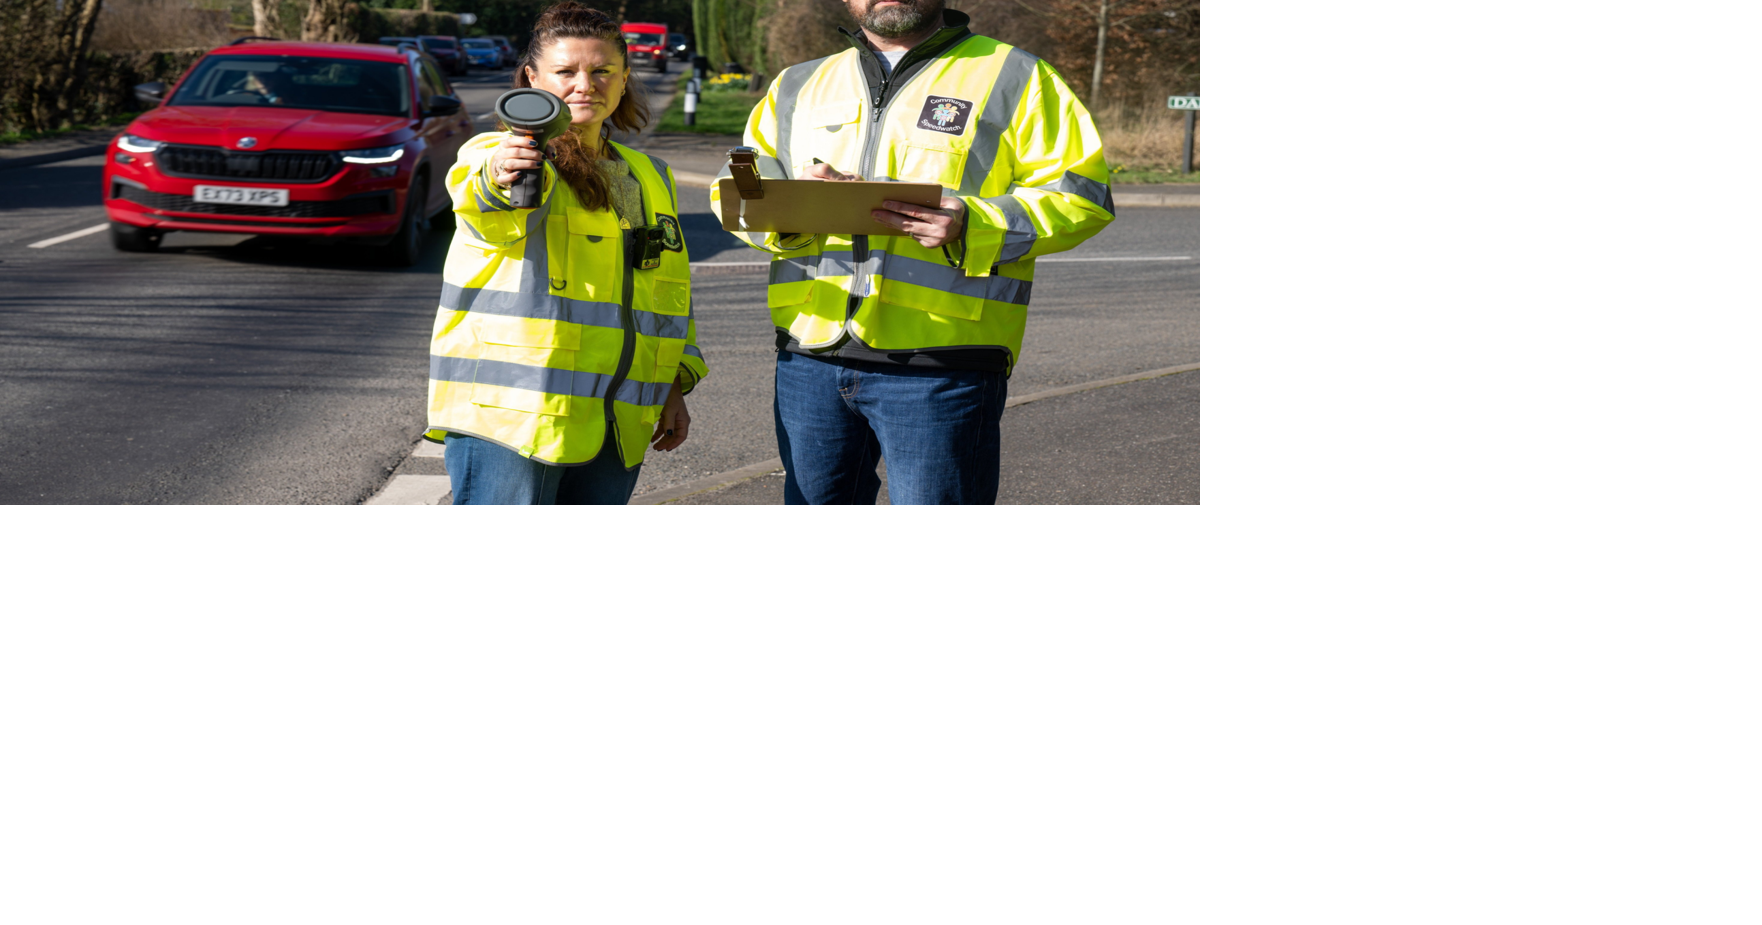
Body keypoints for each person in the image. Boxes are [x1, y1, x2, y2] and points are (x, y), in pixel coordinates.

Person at [712, 0, 1113, 505]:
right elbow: (741, 183)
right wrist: (786, 220)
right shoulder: (798, 82)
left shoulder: (1018, 77)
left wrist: (975, 222)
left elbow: (1084, 196)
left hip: (943, 364)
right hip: (808, 359)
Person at [424, 2, 706, 505]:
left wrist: (674, 383)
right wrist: (500, 173)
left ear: (623, 80)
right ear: (532, 79)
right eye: (566, 71)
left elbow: (669, 290)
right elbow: (482, 201)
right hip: (514, 419)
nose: (585, 84)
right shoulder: (505, 153)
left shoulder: (651, 174)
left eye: (602, 71)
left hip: (618, 418)